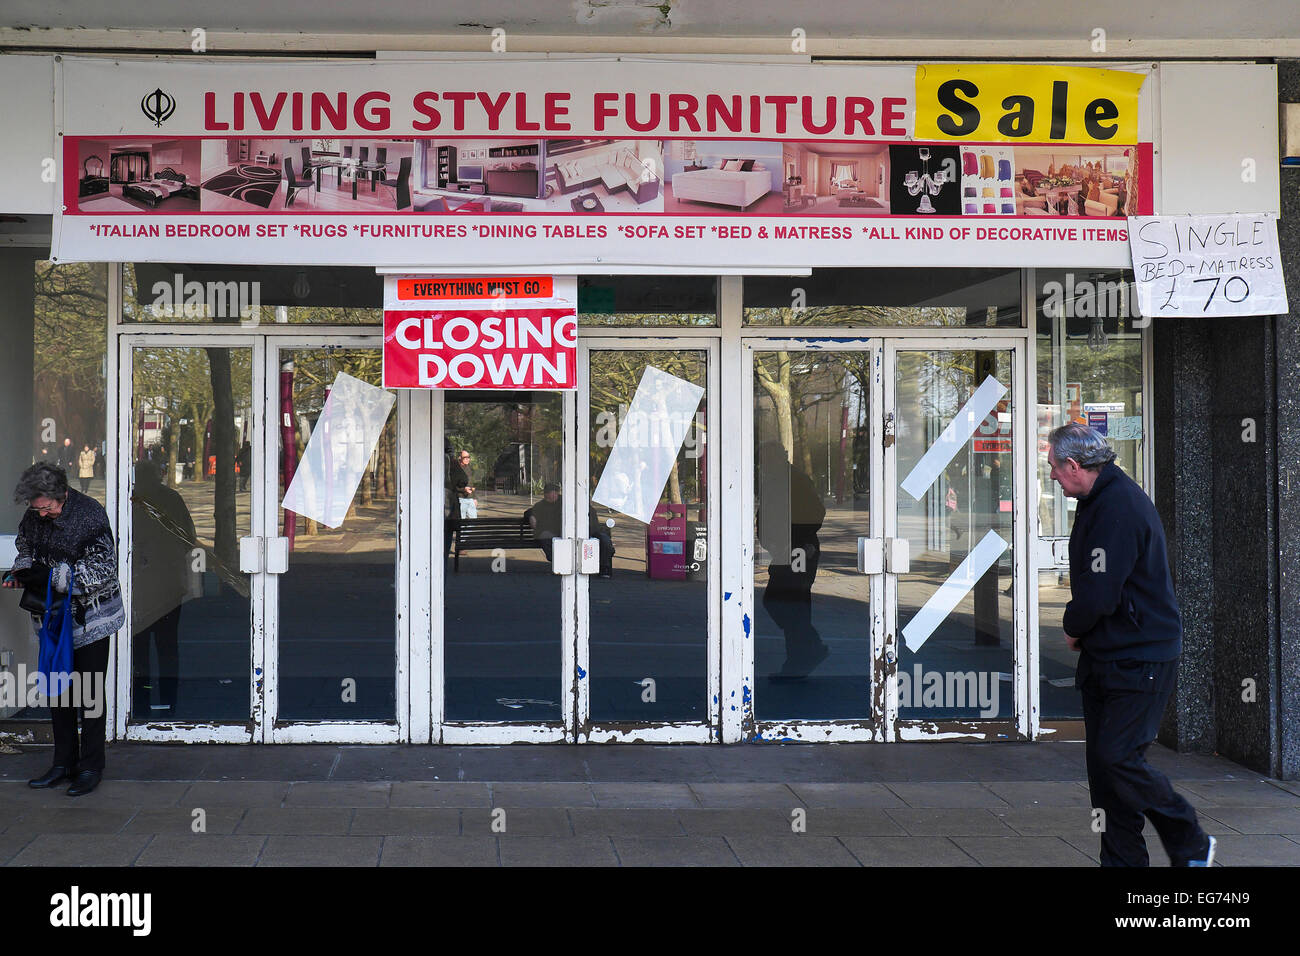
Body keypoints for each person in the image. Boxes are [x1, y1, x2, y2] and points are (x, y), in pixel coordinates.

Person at [1047, 423, 1215, 866]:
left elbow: (1100, 591)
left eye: (1053, 468)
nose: (1051, 477)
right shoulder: (1096, 499)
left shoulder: (1118, 506)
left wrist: (1072, 626)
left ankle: (1188, 835)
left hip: (1141, 659)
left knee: (1118, 757)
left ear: (1074, 465)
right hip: (1110, 656)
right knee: (1106, 779)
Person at [3, 463, 125, 797]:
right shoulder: (34, 516)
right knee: (58, 690)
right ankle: (63, 763)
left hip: (91, 619)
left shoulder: (90, 514)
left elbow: (102, 568)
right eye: (36, 508)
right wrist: (22, 571)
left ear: (61, 495)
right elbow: (26, 547)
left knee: (89, 694)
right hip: (54, 619)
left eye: (47, 508)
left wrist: (53, 577)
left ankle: (90, 767)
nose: (41, 514)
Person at [756, 441, 828, 679]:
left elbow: (816, 512)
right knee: (783, 602)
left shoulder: (794, 480)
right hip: (786, 549)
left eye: (765, 459)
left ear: (778, 458)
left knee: (788, 602)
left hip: (798, 550)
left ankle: (802, 657)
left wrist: (796, 540)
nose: (762, 465)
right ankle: (805, 654)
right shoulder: (775, 480)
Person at [131, 459, 196, 714]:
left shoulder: (131, 501)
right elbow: (188, 537)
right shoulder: (172, 498)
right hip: (169, 581)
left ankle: (140, 700)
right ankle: (170, 699)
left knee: (140, 646)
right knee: (168, 645)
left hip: (140, 583)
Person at [525, 482, 614, 577]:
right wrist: (531, 516)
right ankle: (561, 563)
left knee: (604, 540)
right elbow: (529, 511)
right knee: (546, 537)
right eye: (547, 494)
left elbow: (591, 521)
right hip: (563, 533)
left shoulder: (567, 501)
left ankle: (604, 567)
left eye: (552, 493)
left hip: (589, 531)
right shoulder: (542, 505)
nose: (549, 496)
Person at [449, 449, 477, 519]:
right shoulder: (456, 469)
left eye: (469, 457)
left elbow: (472, 484)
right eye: (465, 457)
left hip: (470, 499)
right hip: (461, 499)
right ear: (460, 458)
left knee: (473, 520)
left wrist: (474, 498)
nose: (467, 459)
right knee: (461, 521)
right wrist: (463, 489)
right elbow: (452, 485)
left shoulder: (469, 468)